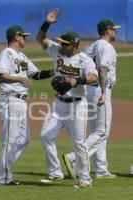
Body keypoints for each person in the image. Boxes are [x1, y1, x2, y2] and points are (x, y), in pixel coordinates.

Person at [36, 8, 98, 188]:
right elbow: (41, 38)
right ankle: (55, 173)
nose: (62, 46)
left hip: (77, 106)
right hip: (58, 104)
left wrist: (75, 81)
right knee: (45, 136)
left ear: (75, 45)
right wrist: (47, 22)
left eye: (66, 44)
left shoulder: (85, 60)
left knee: (79, 143)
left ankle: (85, 178)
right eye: (61, 43)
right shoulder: (56, 51)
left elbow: (93, 77)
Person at [0, 25, 54, 185]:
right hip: (10, 100)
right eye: (23, 36)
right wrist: (19, 79)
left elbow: (36, 74)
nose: (25, 38)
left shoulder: (22, 56)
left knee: (24, 139)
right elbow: (0, 76)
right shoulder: (6, 54)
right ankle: (3, 178)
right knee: (9, 140)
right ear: (17, 37)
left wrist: (56, 71)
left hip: (21, 102)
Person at [63, 19, 120, 179]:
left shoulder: (92, 47)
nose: (115, 32)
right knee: (102, 132)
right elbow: (102, 68)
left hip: (88, 91)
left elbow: (79, 67)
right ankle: (74, 158)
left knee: (97, 130)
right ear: (107, 30)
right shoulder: (106, 46)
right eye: (113, 29)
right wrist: (103, 91)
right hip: (99, 90)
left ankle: (101, 169)